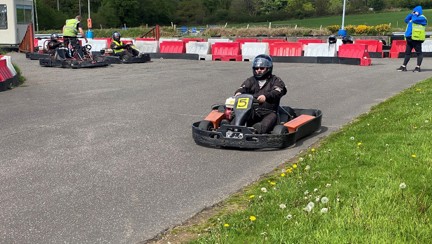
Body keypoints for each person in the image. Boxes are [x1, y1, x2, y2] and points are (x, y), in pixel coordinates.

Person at [234, 54, 287, 134]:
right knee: (239, 114)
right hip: (253, 110)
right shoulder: (251, 80)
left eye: (262, 68)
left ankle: (256, 131)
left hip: (269, 112)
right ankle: (233, 127)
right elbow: (243, 88)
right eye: (256, 68)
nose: (258, 70)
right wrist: (238, 93)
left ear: (268, 68)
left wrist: (266, 96)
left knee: (269, 120)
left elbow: (278, 91)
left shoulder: (275, 80)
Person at [397, 6, 428, 72]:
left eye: (415, 11)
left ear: (418, 12)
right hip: (409, 38)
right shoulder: (413, 17)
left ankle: (418, 67)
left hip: (416, 38)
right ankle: (403, 66)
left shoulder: (422, 18)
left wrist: (415, 14)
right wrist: (411, 14)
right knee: (407, 53)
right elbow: (406, 20)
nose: (414, 12)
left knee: (419, 53)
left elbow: (414, 20)